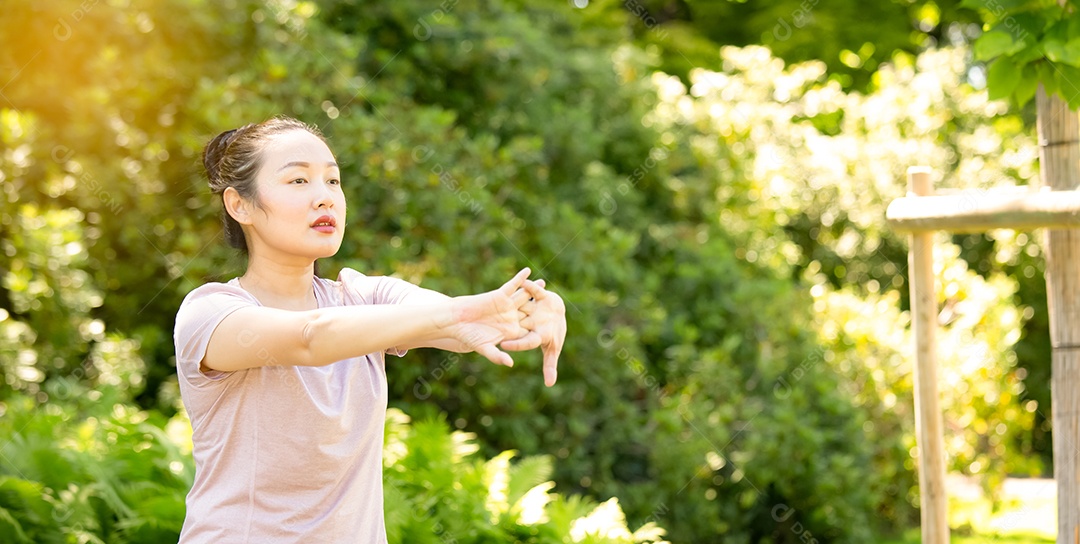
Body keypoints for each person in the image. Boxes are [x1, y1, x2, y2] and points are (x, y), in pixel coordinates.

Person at [173, 116, 566, 543]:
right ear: (240, 205)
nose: (325, 198)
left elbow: (471, 322)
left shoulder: (363, 298)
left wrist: (530, 312)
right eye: (299, 181)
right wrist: (458, 316)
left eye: (333, 181)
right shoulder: (212, 313)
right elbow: (311, 339)